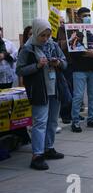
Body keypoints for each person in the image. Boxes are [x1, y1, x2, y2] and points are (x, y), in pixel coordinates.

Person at [16, 19, 67, 170]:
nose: (45, 39)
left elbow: (65, 63)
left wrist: (58, 63)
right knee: (39, 123)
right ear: (36, 33)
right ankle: (37, 155)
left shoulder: (53, 45)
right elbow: (19, 70)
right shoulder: (27, 48)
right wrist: (37, 66)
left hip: (54, 89)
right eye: (42, 35)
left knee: (52, 121)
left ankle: (48, 148)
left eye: (48, 35)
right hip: (39, 91)